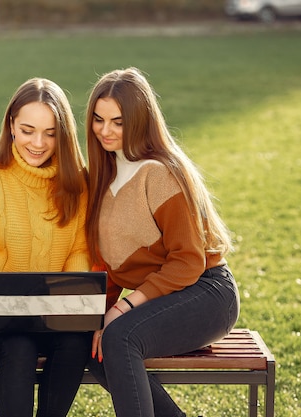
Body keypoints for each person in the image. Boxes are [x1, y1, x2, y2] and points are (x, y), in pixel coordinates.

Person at [84, 67, 240, 417]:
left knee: (120, 337)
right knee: (92, 345)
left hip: (207, 292)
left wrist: (122, 308)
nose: (105, 131)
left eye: (118, 122)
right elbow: (107, 266)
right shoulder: (102, 177)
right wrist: (97, 317)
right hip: (165, 296)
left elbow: (187, 261)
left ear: (139, 121)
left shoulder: (159, 172)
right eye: (98, 119)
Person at [0, 78, 91, 417]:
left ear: (63, 135)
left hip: (46, 311)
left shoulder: (76, 185)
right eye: (27, 130)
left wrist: (70, 300)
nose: (37, 143)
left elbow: (79, 251)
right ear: (11, 125)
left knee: (75, 343)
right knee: (19, 346)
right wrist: (10, 297)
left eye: (50, 133)